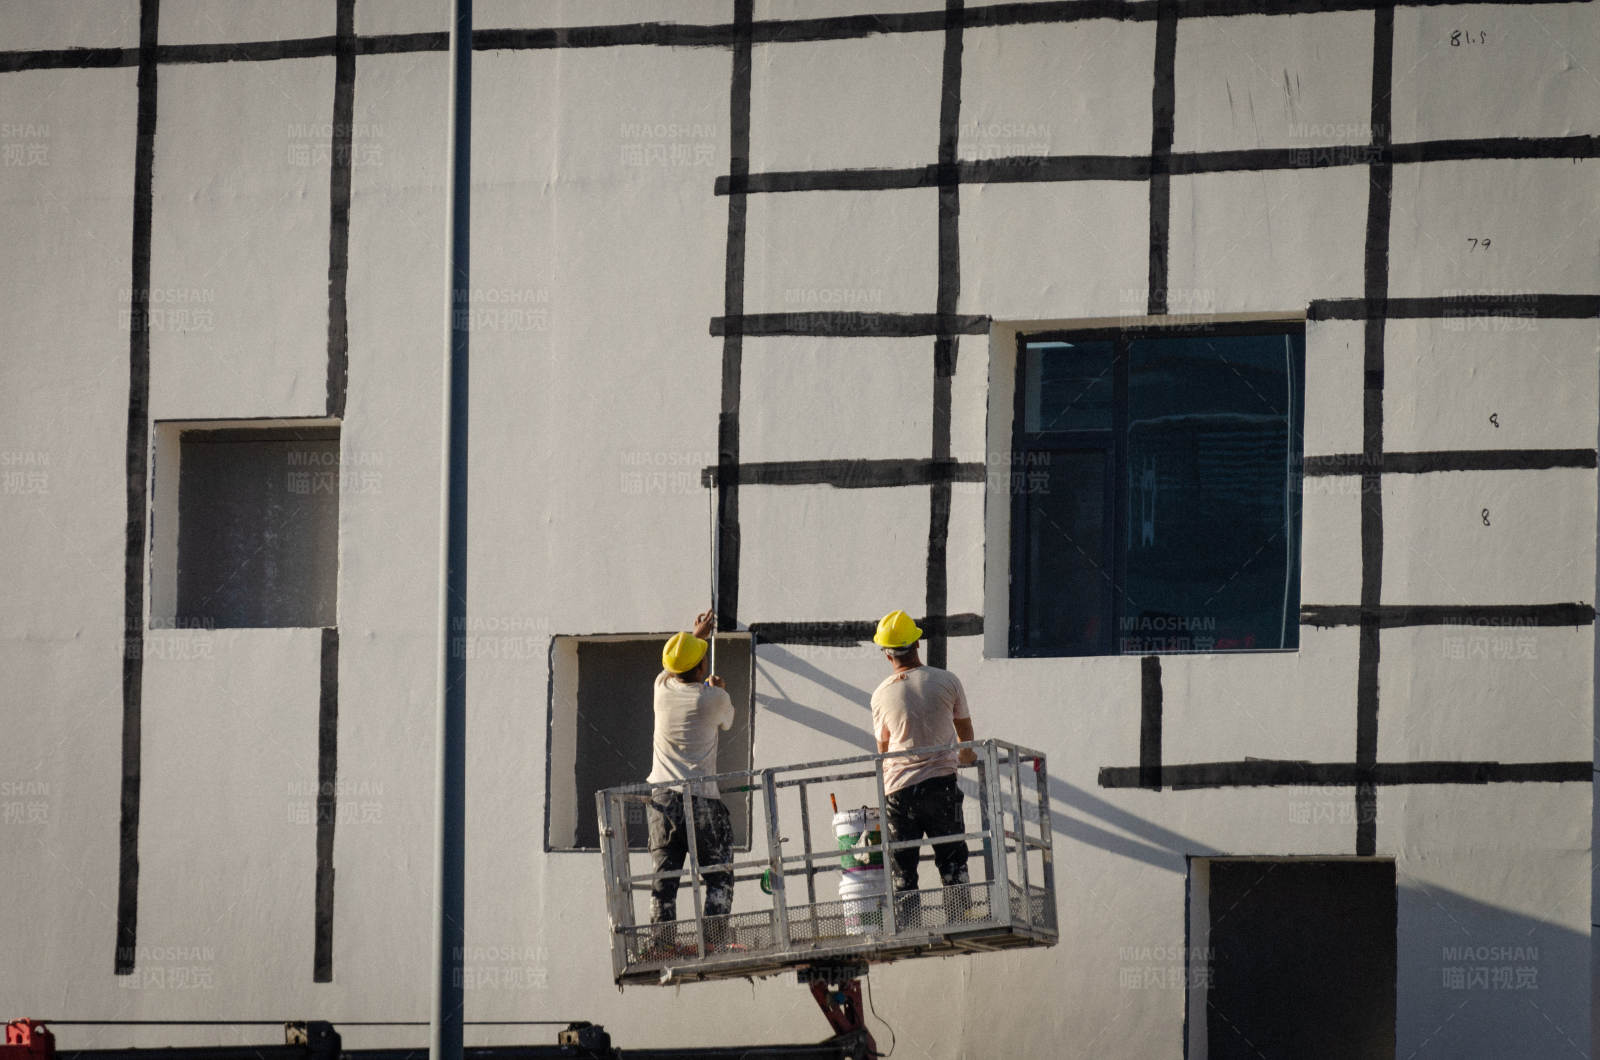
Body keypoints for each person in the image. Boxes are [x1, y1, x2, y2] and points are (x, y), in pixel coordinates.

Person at [869, 609, 977, 925]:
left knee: (903, 865)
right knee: (952, 856)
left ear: (886, 655)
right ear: (917, 645)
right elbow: (965, 732)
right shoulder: (946, 680)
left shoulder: (880, 695)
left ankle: (909, 925)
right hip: (941, 785)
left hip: (899, 792)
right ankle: (960, 918)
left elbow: (883, 750)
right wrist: (966, 758)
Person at [645, 609, 736, 940]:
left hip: (662, 799)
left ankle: (661, 942)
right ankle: (712, 941)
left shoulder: (661, 688)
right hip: (701, 799)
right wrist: (718, 689)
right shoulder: (712, 698)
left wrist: (694, 636)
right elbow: (726, 721)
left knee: (665, 878)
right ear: (700, 668)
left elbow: (673, 668)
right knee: (718, 876)